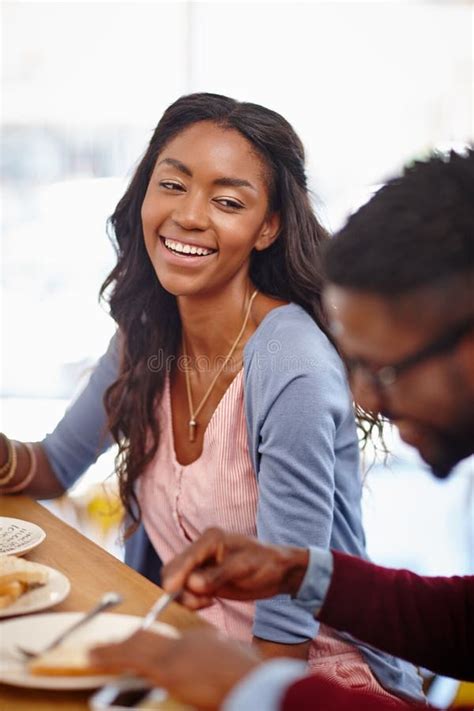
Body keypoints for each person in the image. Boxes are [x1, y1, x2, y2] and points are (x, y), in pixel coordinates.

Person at [0, 93, 422, 703]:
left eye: (227, 202)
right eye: (172, 185)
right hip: (190, 643)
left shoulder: (291, 365)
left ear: (267, 227)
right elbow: (51, 466)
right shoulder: (147, 334)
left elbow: (287, 624)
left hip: (307, 675)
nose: (190, 216)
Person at [90, 149, 474, 710]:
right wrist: (298, 572)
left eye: (383, 371)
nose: (363, 397)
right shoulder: (149, 336)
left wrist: (256, 687)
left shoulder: (288, 355)